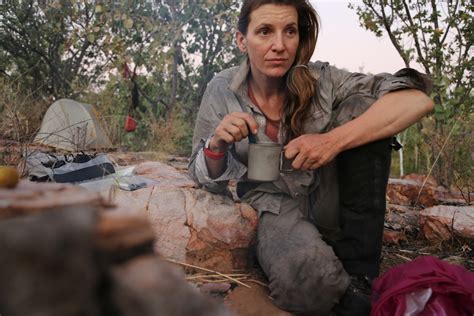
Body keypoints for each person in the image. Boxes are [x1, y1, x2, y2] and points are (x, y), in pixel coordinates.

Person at [188, 0, 433, 315]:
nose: (279, 45)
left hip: (332, 196)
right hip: (273, 204)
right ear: (241, 40)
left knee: (362, 107)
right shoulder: (222, 88)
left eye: (289, 31)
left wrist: (332, 140)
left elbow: (417, 100)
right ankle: (322, 271)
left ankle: (360, 271)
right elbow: (200, 173)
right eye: (264, 31)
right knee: (310, 289)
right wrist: (217, 145)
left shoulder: (323, 79)